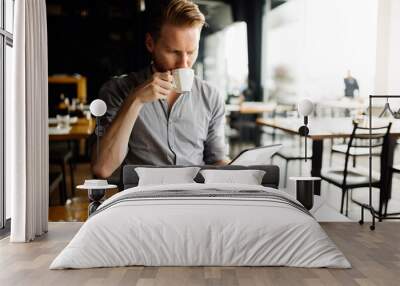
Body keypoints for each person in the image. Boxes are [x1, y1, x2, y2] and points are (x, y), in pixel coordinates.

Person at [92, 0, 228, 178]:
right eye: (174, 52)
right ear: (150, 43)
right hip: (142, 202)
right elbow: (102, 168)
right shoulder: (116, 90)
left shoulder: (211, 96)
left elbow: (217, 160)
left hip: (195, 200)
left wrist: (239, 170)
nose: (184, 65)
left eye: (191, 52)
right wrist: (135, 100)